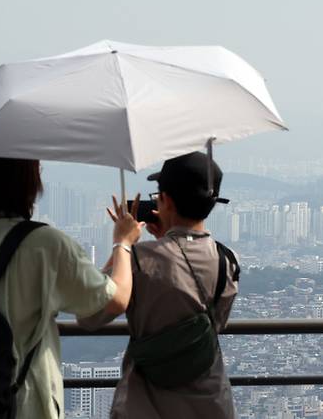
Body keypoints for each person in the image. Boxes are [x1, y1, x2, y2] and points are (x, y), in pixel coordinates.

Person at [0, 157, 143, 419]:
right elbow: (115, 299)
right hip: (26, 403)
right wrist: (123, 243)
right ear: (28, 182)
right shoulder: (47, 244)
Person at [79, 151, 240, 418]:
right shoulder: (228, 260)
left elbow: (89, 315)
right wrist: (167, 239)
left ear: (164, 200)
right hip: (211, 403)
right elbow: (206, 323)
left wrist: (122, 244)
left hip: (146, 404)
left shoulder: (141, 259)